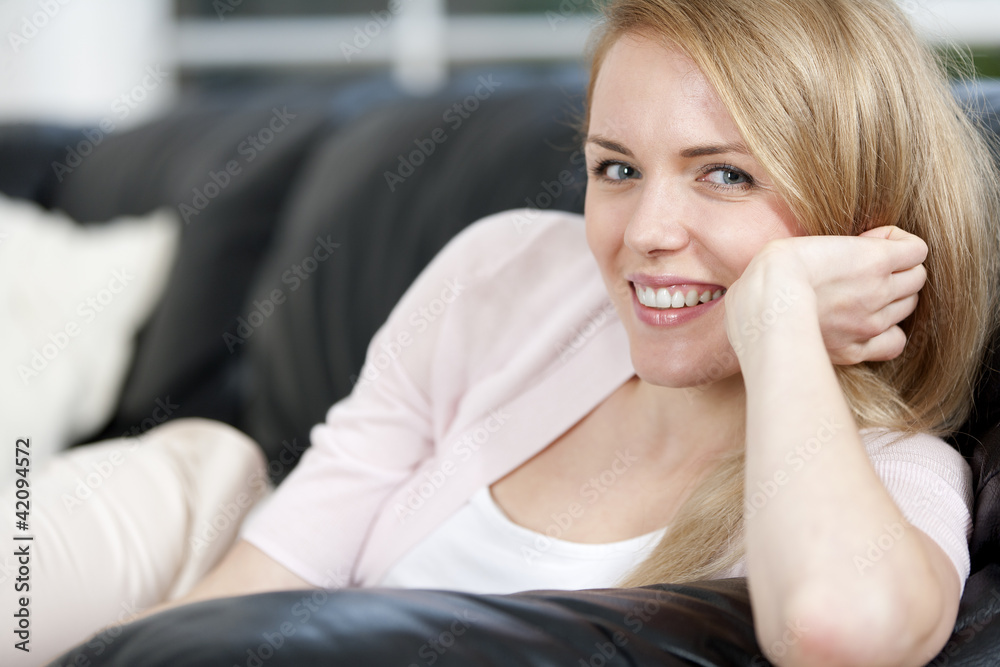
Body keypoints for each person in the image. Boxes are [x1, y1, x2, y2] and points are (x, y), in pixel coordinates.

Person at [12, 0, 999, 665]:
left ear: (863, 216)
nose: (643, 234)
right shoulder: (510, 270)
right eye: (616, 168)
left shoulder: (882, 480)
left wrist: (780, 319)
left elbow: (837, 632)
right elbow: (282, 560)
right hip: (182, 517)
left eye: (725, 173)